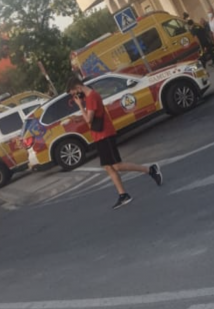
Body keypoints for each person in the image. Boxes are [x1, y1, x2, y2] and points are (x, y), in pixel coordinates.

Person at [65, 76, 162, 209]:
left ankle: (150, 170)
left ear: (78, 88)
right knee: (108, 167)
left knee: (116, 165)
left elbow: (89, 119)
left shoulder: (91, 97)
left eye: (73, 93)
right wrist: (79, 118)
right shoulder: (89, 97)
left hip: (105, 134)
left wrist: (80, 106)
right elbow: (92, 117)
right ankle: (123, 195)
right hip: (99, 135)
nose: (74, 96)